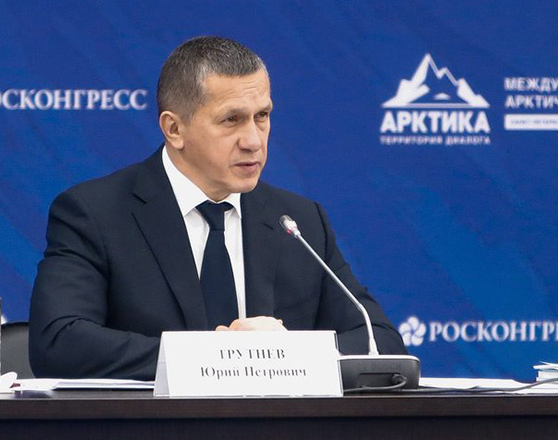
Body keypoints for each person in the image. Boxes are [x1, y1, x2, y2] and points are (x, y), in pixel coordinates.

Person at [29, 36, 406, 380]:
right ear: (174, 129)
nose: (254, 140)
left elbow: (381, 341)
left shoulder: (298, 221)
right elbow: (59, 342)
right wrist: (220, 357)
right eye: (231, 120)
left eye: (262, 116)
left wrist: (287, 353)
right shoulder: (95, 214)